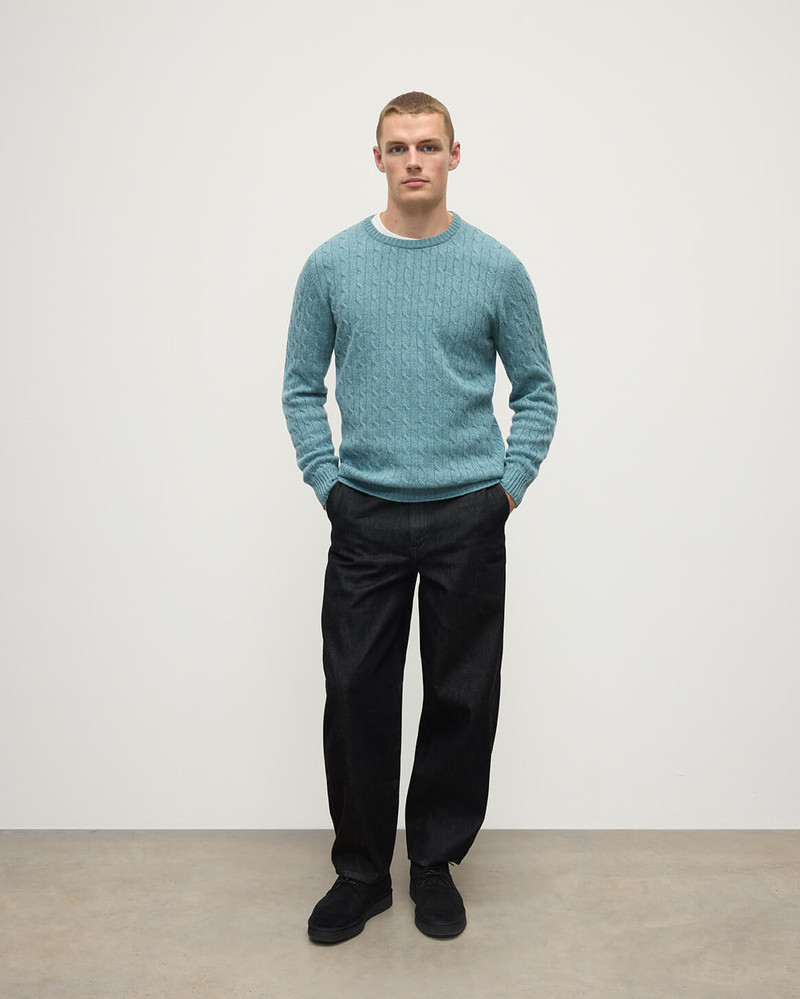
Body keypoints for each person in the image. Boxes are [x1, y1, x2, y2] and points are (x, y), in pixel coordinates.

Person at [282, 91, 557, 943]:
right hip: (364, 513)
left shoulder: (496, 268)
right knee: (355, 694)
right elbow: (299, 386)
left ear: (454, 156)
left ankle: (434, 862)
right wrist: (329, 484)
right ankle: (362, 872)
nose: (413, 161)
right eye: (398, 147)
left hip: (466, 516)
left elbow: (538, 390)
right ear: (377, 158)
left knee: (460, 696)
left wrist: (505, 489)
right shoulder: (331, 265)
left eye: (428, 146)